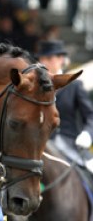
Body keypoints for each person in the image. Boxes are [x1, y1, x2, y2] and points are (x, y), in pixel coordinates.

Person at [36, 40, 93, 173]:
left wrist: (87, 134)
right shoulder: (36, 89)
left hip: (72, 143)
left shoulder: (74, 85)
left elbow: (90, 115)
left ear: (61, 59)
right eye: (42, 58)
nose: (44, 62)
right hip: (42, 146)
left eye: (49, 58)